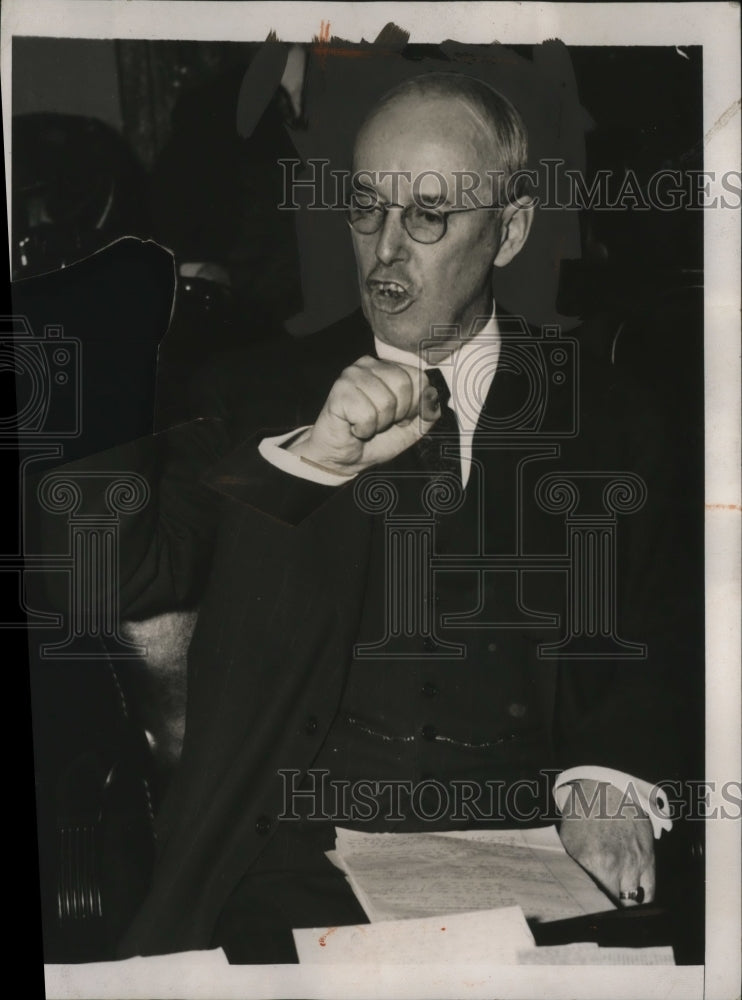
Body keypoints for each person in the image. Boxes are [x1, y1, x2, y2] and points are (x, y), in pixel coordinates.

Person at [34, 72, 693, 962]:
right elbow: (93, 579)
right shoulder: (249, 390)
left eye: (429, 215)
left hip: (535, 852)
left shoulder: (613, 415)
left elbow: (673, 621)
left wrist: (610, 779)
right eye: (365, 209)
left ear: (513, 229)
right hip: (293, 856)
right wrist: (310, 460)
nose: (387, 252)